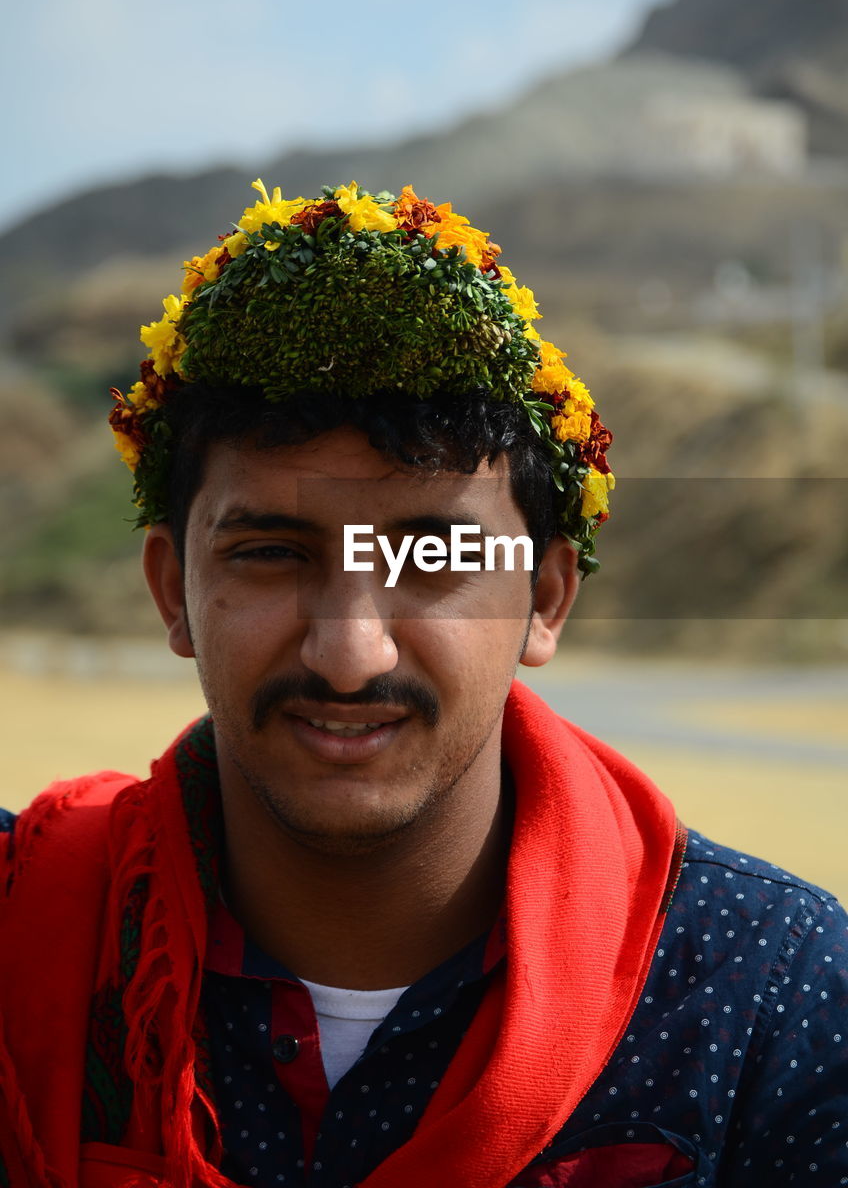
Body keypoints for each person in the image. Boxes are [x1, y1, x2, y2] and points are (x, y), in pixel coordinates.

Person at [0, 179, 845, 1188]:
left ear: (544, 597)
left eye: (431, 556)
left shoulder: (767, 993)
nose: (348, 651)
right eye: (272, 552)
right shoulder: (28, 932)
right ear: (170, 590)